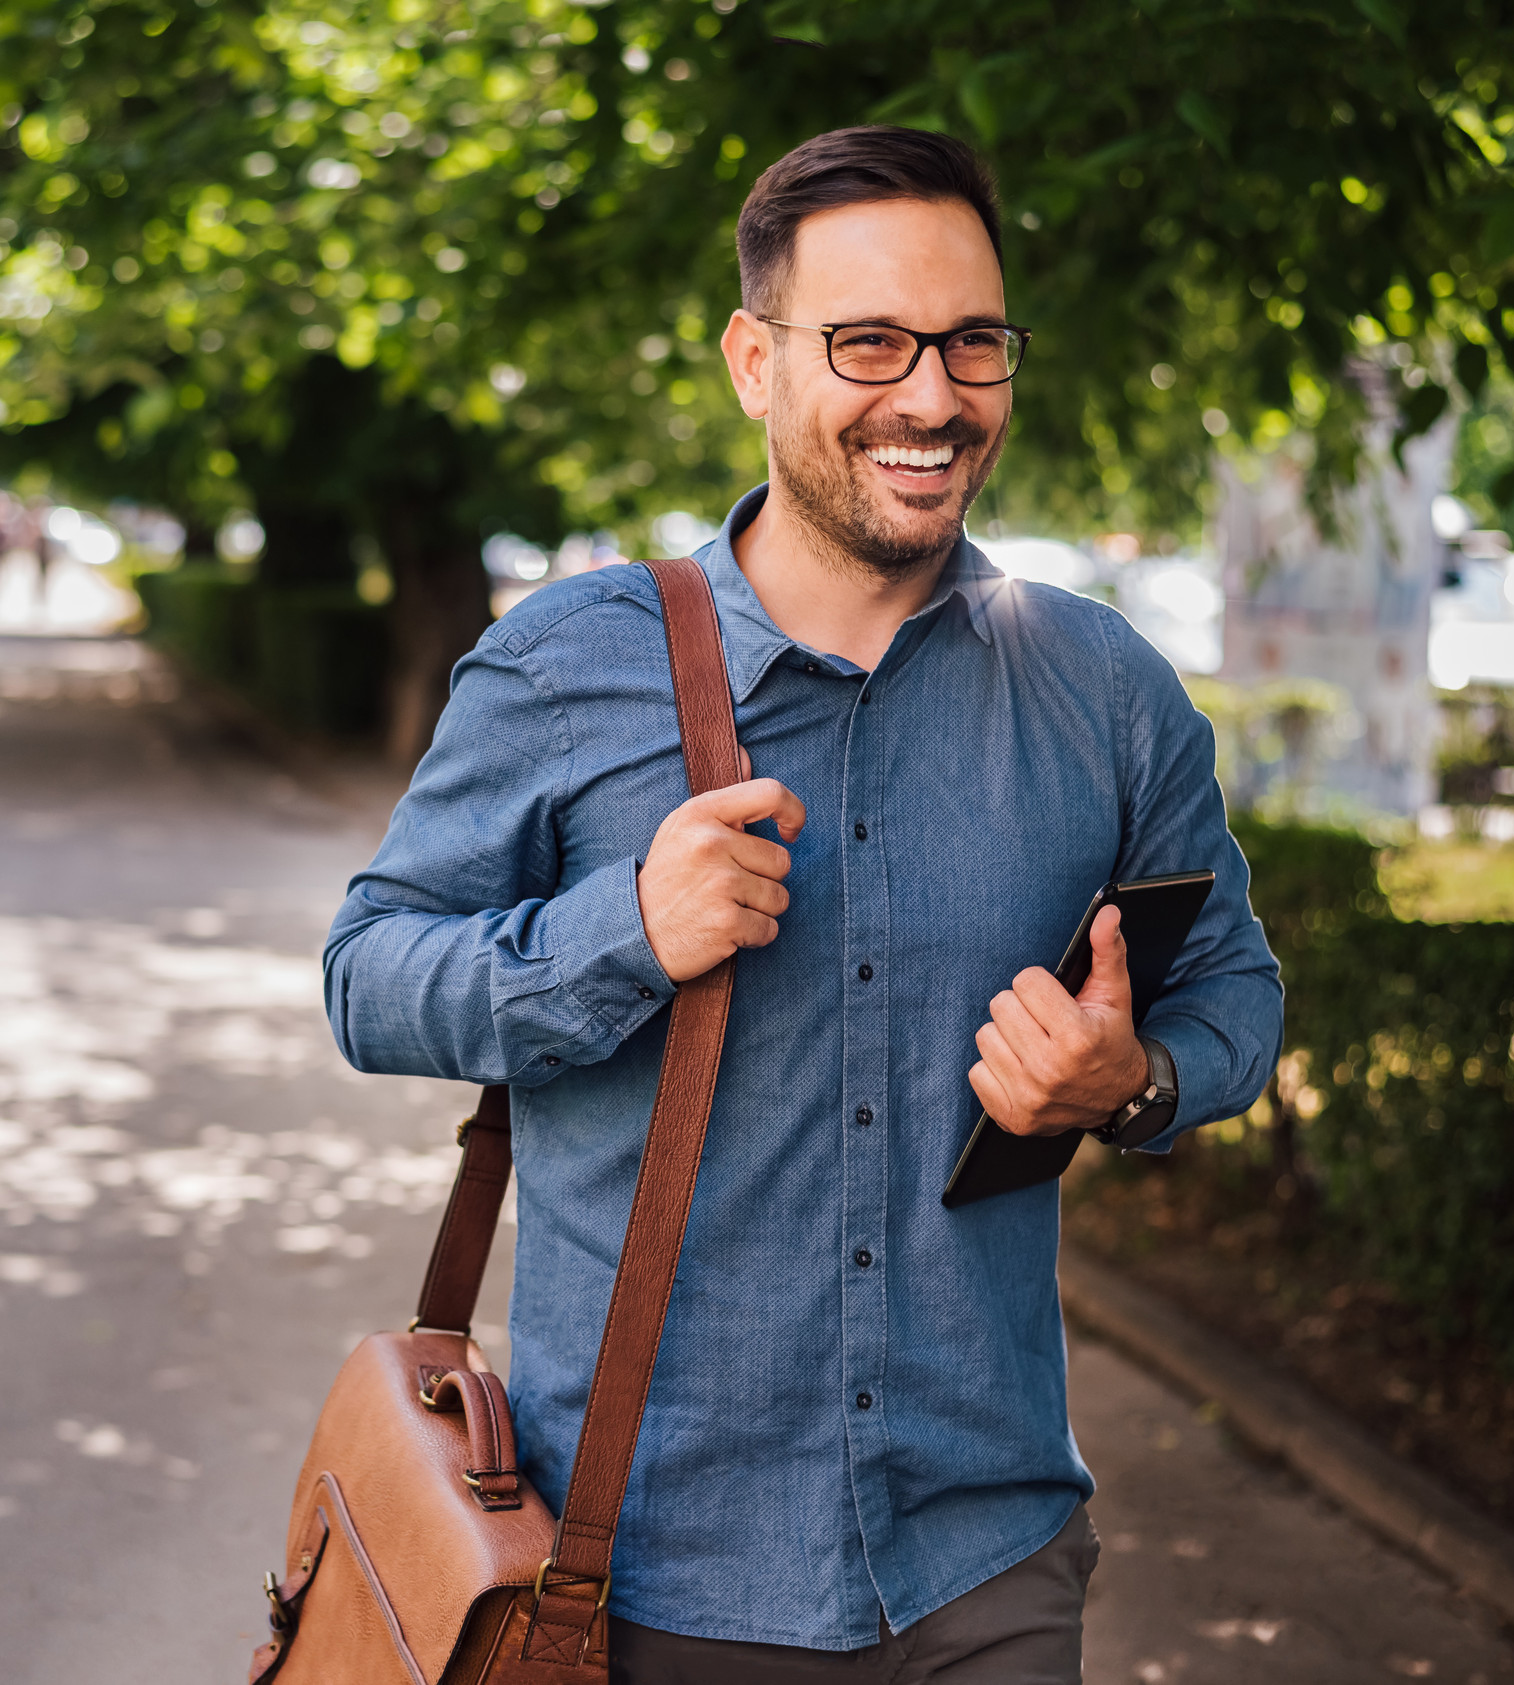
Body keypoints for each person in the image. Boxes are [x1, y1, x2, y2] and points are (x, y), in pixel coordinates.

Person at [323, 126, 1282, 1684]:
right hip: (643, 1576)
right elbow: (368, 978)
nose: (930, 395)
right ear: (752, 362)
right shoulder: (567, 662)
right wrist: (620, 931)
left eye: (972, 342)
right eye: (869, 343)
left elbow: (1233, 987)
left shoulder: (1102, 688)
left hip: (987, 1561)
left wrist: (1138, 1077)